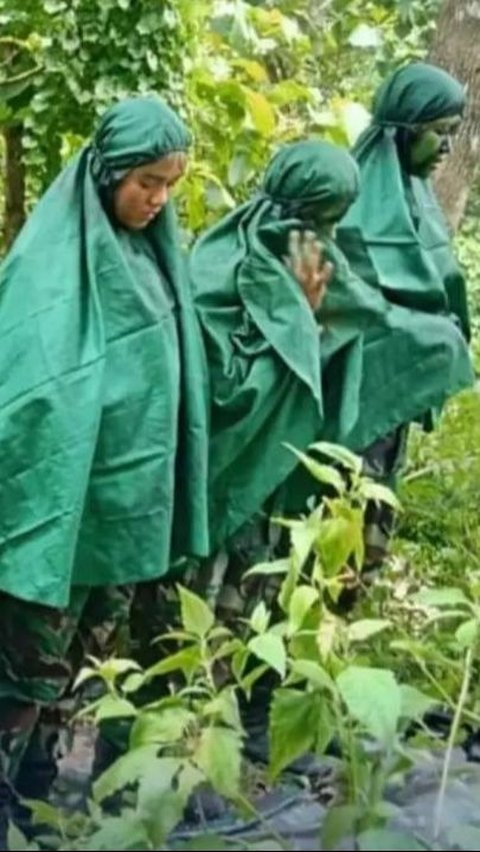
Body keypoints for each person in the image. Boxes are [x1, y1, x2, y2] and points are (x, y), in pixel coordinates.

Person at [189, 137, 473, 765]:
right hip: (226, 469)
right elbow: (227, 361)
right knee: (202, 609)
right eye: (324, 216)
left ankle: (248, 726)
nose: (330, 233)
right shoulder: (239, 257)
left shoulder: (304, 249)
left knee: (253, 599)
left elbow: (354, 319)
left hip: (271, 470)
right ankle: (190, 740)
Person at [0, 95, 209, 843]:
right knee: (27, 671)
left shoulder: (156, 261)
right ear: (107, 173)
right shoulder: (47, 270)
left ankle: (40, 790)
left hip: (123, 514)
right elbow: (29, 392)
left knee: (84, 672)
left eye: (170, 187)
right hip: (60, 514)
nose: (157, 200)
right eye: (146, 181)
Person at [336, 61, 474, 565]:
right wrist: (418, 333)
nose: (446, 147)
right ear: (403, 129)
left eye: (453, 134)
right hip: (351, 398)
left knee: (370, 527)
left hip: (395, 399)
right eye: (438, 132)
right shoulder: (348, 195)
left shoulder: (420, 197)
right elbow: (341, 303)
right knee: (335, 515)